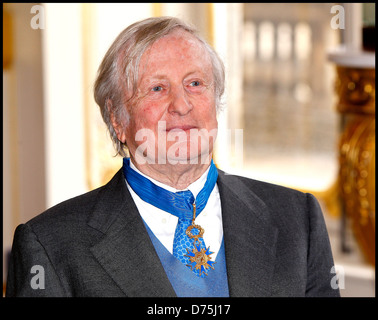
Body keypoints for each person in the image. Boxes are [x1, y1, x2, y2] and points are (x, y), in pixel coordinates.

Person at [6, 16, 340, 297]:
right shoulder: (50, 247)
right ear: (117, 119)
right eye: (157, 88)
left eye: (195, 83)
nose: (181, 105)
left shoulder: (299, 221)